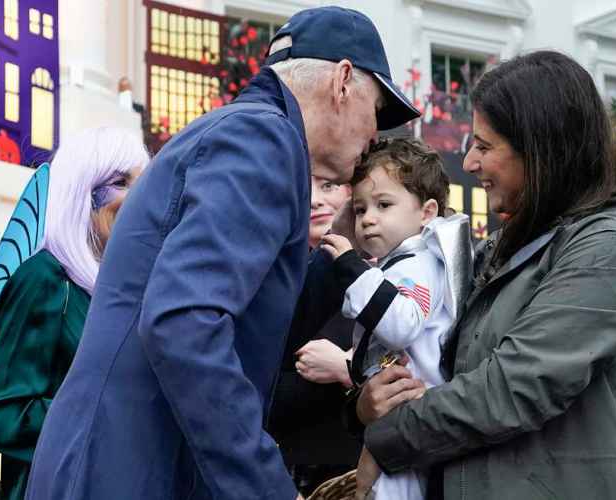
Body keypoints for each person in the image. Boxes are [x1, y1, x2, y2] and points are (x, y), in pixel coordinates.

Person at [25, 7, 419, 500]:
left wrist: (333, 259)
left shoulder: (246, 133)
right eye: (377, 110)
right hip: (132, 467)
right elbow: (184, 322)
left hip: (121, 461)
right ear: (342, 81)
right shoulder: (262, 138)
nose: (375, 137)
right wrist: (264, 485)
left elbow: (243, 326)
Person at [354, 51, 616, 499]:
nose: (469, 162)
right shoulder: (500, 247)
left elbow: (513, 388)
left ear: (541, 149)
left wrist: (388, 440)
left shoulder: (615, 243)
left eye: (484, 145)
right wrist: (369, 402)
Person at [0, 127, 148, 500]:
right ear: (81, 190)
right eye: (120, 181)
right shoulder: (44, 279)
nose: (137, 196)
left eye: (142, 182)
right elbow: (6, 418)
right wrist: (113, 412)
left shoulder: (120, 290)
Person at [319, 138, 470, 500]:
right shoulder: (397, 265)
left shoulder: (419, 265)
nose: (368, 218)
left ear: (427, 212)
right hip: (399, 415)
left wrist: (351, 267)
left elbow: (402, 323)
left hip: (415, 415)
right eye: (359, 209)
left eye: (383, 205)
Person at [266, 176, 360, 496]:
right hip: (293, 475)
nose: (315, 201)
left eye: (329, 186)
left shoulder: (409, 278)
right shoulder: (275, 286)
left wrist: (348, 368)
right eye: (304, 189)